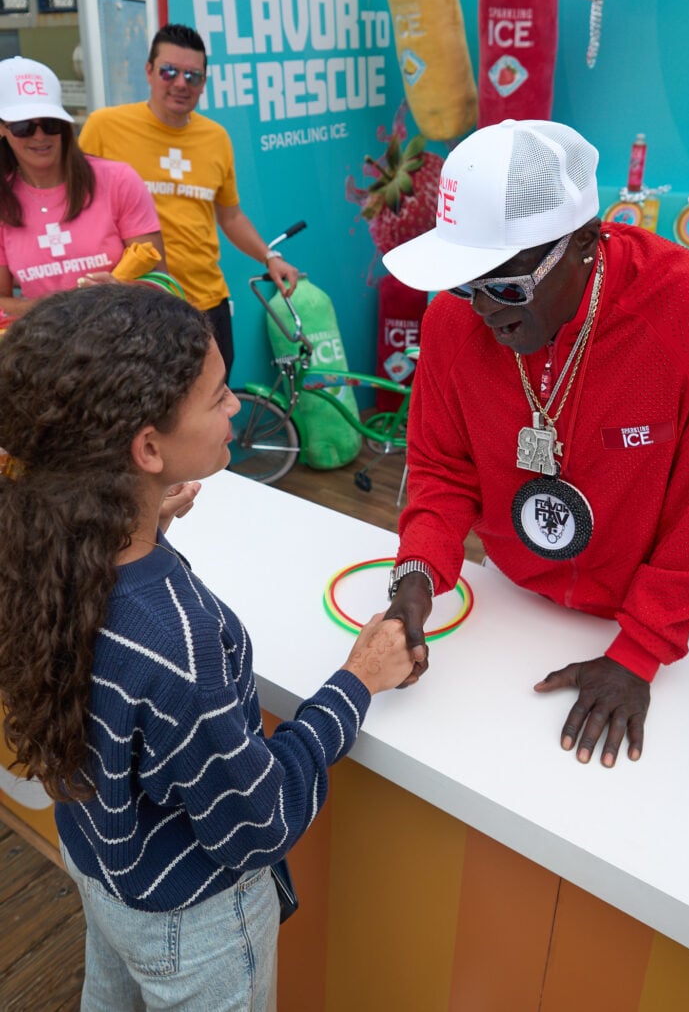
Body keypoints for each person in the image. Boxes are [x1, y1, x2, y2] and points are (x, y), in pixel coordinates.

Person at [0, 284, 414, 1010]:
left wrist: (140, 517)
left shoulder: (37, 546)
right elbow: (258, 824)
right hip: (196, 935)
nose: (236, 406)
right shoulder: (177, 640)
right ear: (148, 448)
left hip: (102, 870)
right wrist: (359, 679)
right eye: (219, 396)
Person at [382, 118, 689, 768]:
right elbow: (443, 471)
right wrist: (415, 579)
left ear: (585, 241)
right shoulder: (453, 320)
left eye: (505, 285)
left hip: (635, 618)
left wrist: (639, 653)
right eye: (465, 283)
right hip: (512, 602)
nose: (484, 310)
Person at [79, 23, 299, 379]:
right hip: (136, 303)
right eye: (169, 71)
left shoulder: (216, 138)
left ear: (204, 83)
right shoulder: (105, 127)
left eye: (193, 76)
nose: (181, 83)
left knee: (214, 405)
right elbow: (74, 204)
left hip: (205, 301)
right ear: (149, 71)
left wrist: (270, 257)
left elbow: (230, 216)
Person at [0, 56, 163, 318]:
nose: (40, 136)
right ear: (2, 129)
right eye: (23, 127)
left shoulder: (118, 180)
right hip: (44, 352)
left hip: (125, 347)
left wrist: (120, 291)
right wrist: (51, 308)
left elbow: (162, 283)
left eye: (50, 123)